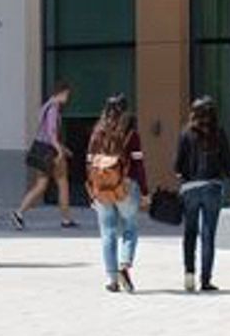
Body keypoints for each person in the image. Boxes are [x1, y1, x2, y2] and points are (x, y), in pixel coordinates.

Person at [174, 96, 230, 292]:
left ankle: (189, 275)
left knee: (190, 233)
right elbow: (228, 164)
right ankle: (206, 280)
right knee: (208, 235)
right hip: (212, 188)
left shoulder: (185, 133)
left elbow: (177, 165)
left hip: (190, 189)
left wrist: (185, 175)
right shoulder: (218, 134)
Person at [84, 94, 147, 293]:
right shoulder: (131, 133)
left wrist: (91, 190)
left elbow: (88, 162)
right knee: (130, 227)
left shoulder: (97, 132)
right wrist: (144, 190)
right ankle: (124, 265)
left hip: (101, 187)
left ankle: (112, 279)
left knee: (107, 231)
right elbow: (138, 164)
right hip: (124, 186)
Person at [10, 81, 76, 229]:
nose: (68, 98)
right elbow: (52, 133)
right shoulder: (53, 109)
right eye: (67, 95)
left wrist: (63, 148)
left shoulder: (46, 107)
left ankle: (19, 213)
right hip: (51, 152)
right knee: (62, 183)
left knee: (41, 185)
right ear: (62, 92)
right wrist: (60, 151)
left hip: (42, 150)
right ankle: (66, 219)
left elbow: (44, 133)